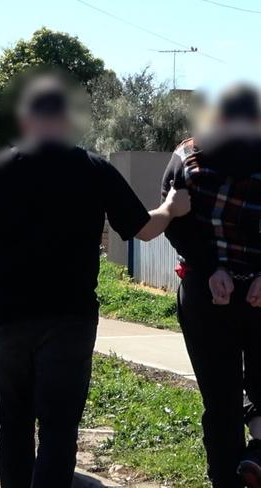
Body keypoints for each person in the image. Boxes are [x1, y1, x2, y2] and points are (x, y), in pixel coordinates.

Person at [0, 74, 191, 488]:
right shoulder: (93, 169)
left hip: (4, 318)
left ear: (26, 120)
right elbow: (144, 230)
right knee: (59, 427)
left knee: (12, 424)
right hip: (69, 318)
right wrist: (171, 206)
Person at [162, 84, 261, 488]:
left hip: (207, 296)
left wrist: (208, 269)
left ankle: (225, 478)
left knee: (219, 401)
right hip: (258, 295)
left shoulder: (187, 156)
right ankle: (257, 455)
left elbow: (174, 220)